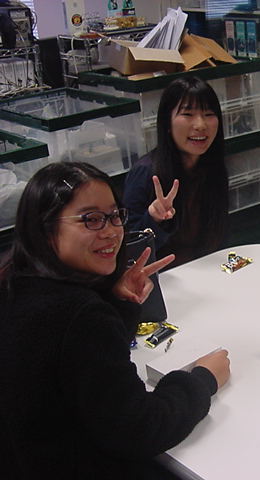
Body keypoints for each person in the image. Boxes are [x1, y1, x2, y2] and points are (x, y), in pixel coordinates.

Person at [0, 162, 231, 479]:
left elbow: (84, 370)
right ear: (46, 228)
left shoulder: (15, 282)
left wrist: (117, 301)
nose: (111, 231)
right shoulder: (79, 315)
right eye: (91, 219)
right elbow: (141, 428)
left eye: (114, 216)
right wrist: (202, 380)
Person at [124, 76, 228, 268]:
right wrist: (154, 219)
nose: (200, 125)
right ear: (167, 123)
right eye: (188, 114)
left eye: (208, 114)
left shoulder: (212, 168)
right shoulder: (146, 172)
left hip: (204, 269)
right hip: (161, 277)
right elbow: (128, 251)